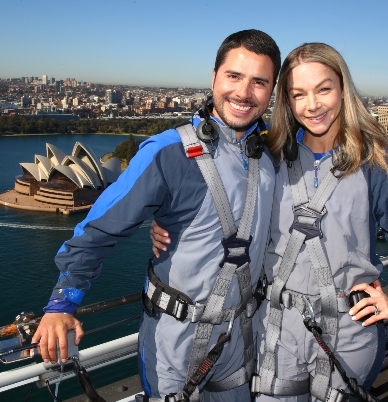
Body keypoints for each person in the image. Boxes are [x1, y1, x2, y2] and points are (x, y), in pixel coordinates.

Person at [152, 42, 388, 401]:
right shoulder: (268, 158)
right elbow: (227, 209)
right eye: (298, 94)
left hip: (349, 332)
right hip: (278, 333)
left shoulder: (377, 165)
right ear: (287, 102)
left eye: (324, 89)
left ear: (343, 90)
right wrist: (170, 224)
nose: (312, 105)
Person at [33, 29, 281, 402]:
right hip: (175, 341)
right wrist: (61, 303)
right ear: (214, 77)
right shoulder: (168, 153)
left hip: (242, 334)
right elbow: (99, 230)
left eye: (259, 82)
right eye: (234, 76)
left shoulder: (274, 153)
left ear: (272, 90)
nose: (244, 93)